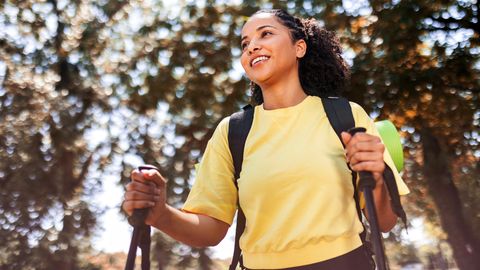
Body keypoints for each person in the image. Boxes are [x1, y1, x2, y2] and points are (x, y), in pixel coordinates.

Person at [122, 9, 409, 270]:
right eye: (245, 44)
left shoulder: (346, 116)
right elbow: (210, 229)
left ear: (300, 47)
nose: (252, 47)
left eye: (266, 34)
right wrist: (159, 214)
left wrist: (377, 177)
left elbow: (385, 221)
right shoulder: (232, 131)